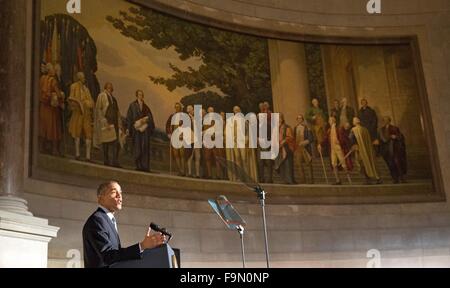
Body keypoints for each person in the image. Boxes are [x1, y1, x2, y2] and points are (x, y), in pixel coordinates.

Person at [82, 181, 166, 268]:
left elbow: (116, 256)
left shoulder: (107, 220)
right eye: (114, 192)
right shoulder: (97, 220)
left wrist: (147, 246)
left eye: (120, 193)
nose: (119, 196)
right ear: (100, 198)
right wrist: (142, 246)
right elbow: (108, 256)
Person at [126, 90, 156, 172]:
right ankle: (138, 165)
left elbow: (150, 117)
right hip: (137, 130)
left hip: (144, 131)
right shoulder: (132, 105)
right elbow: (129, 118)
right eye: (139, 95)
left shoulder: (146, 107)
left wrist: (146, 120)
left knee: (145, 147)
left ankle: (145, 166)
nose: (141, 96)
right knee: (137, 147)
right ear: (136, 95)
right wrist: (128, 128)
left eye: (142, 95)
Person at [39, 63, 65, 156]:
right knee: (54, 129)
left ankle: (42, 147)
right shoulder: (52, 80)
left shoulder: (42, 79)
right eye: (53, 69)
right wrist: (61, 98)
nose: (54, 70)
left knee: (43, 127)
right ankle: (55, 150)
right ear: (50, 70)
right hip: (51, 108)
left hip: (43, 106)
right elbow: (58, 94)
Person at [68, 72, 94, 162]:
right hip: (77, 112)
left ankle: (88, 156)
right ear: (79, 78)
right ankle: (77, 154)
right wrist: (78, 103)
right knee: (77, 132)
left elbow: (91, 101)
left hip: (86, 113)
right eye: (82, 77)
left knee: (88, 134)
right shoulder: (74, 86)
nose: (84, 79)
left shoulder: (86, 89)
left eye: (84, 77)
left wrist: (88, 103)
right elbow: (71, 98)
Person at [95, 83, 122, 167]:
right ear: (106, 87)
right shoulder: (102, 96)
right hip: (106, 122)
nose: (110, 88)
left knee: (115, 143)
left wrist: (120, 123)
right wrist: (103, 120)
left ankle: (114, 161)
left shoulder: (113, 99)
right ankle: (106, 161)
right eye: (108, 87)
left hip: (114, 123)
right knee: (106, 143)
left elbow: (117, 112)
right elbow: (99, 109)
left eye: (111, 87)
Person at [319, 117, 351, 185]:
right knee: (334, 164)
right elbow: (325, 139)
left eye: (330, 120)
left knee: (343, 163)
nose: (329, 121)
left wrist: (340, 142)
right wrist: (320, 144)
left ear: (333, 121)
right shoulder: (329, 130)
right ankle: (338, 180)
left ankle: (349, 180)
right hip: (332, 149)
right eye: (329, 120)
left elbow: (344, 138)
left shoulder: (339, 128)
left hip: (339, 148)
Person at [350, 117, 382, 185]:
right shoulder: (365, 129)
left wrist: (354, 145)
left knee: (362, 164)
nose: (352, 122)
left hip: (360, 150)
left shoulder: (354, 130)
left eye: (353, 120)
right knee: (369, 162)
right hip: (367, 150)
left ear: (356, 122)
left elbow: (351, 139)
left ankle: (368, 179)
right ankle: (377, 178)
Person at [379, 117, 407, 183]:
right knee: (390, 165)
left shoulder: (395, 128)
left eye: (386, 120)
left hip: (394, 149)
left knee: (398, 163)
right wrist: (390, 137)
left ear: (389, 121)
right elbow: (383, 139)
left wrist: (396, 137)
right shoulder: (381, 130)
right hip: (386, 150)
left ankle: (401, 178)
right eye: (384, 120)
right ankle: (395, 178)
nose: (385, 121)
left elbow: (400, 136)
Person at [274, 113, 295, 184]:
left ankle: (290, 180)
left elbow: (290, 137)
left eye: (279, 118)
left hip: (286, 148)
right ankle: (285, 180)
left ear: (282, 119)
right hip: (279, 149)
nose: (278, 120)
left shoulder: (287, 127)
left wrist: (283, 141)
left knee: (288, 165)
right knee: (281, 165)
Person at [166, 103, 185, 176]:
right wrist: (169, 134)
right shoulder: (172, 116)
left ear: (180, 108)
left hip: (181, 137)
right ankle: (180, 170)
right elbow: (168, 125)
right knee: (176, 154)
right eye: (176, 107)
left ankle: (183, 170)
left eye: (178, 107)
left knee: (182, 154)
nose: (177, 108)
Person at [293, 115, 314, 184]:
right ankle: (303, 180)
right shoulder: (295, 128)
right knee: (299, 164)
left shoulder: (306, 128)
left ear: (302, 119)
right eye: (298, 118)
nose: (299, 120)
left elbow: (311, 138)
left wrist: (304, 142)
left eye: (300, 118)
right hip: (298, 149)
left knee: (308, 164)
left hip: (305, 148)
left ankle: (311, 180)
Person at [258, 102, 273, 183]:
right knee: (260, 161)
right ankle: (262, 178)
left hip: (266, 142)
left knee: (268, 161)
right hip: (260, 143)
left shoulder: (268, 124)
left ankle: (269, 178)